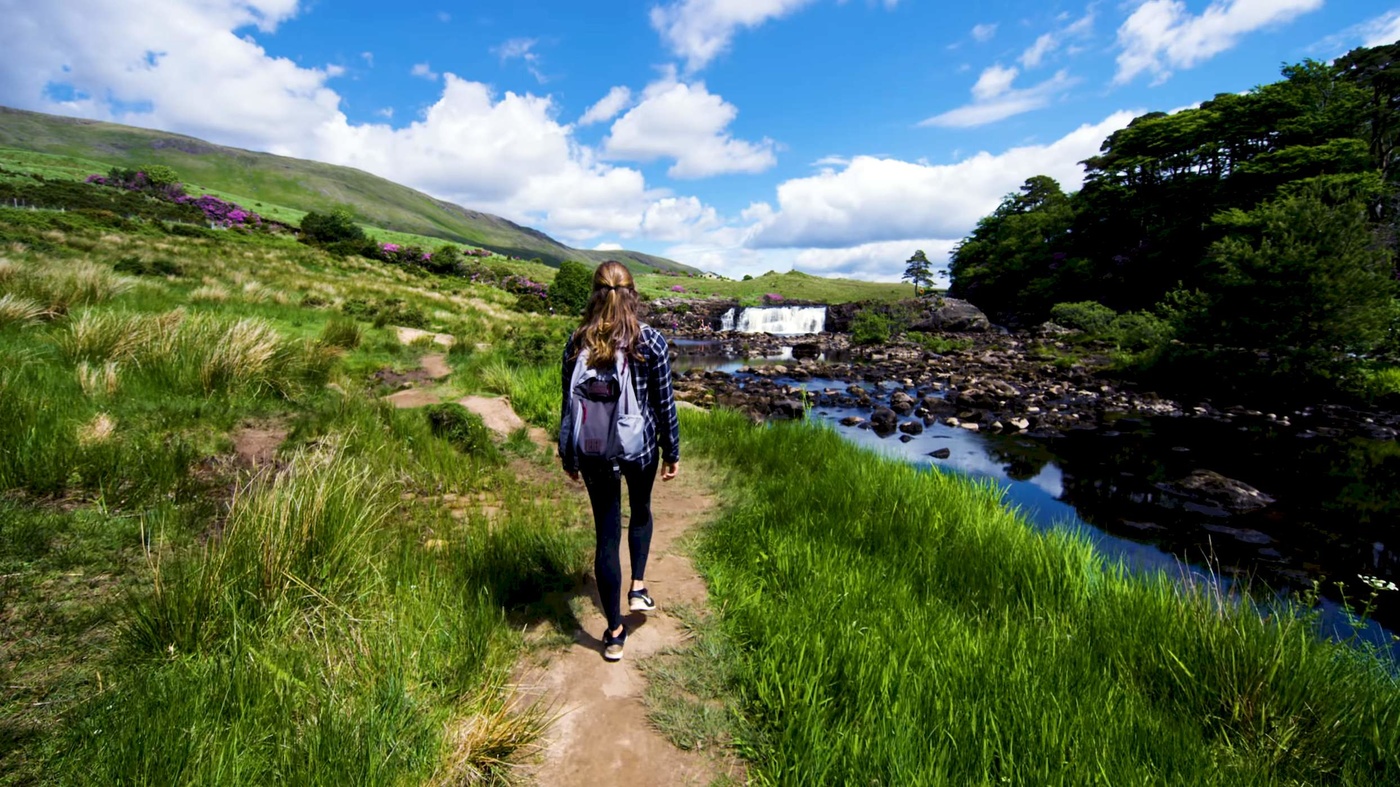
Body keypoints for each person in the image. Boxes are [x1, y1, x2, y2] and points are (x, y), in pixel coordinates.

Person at [558, 261, 680, 662]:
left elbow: (568, 407)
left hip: (594, 452)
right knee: (641, 511)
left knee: (606, 535)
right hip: (640, 449)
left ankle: (613, 633)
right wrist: (671, 451)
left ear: (594, 293)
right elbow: (664, 405)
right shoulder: (652, 342)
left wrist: (568, 451)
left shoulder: (577, 344)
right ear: (632, 294)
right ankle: (638, 586)